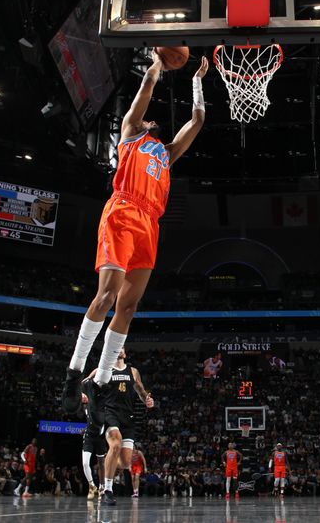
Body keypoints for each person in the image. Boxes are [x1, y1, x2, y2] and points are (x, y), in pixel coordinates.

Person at [61, 54, 210, 413]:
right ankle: (73, 373)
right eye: (148, 118)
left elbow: (198, 119)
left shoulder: (167, 152)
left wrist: (197, 81)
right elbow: (145, 87)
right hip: (124, 211)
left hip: (150, 223)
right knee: (107, 296)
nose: (152, 119)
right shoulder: (130, 133)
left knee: (129, 305)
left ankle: (97, 383)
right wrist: (158, 63)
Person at [100, 348, 154, 506]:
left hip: (128, 418)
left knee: (124, 463)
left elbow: (141, 391)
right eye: (117, 346)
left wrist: (147, 400)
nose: (120, 348)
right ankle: (107, 490)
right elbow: (87, 382)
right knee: (116, 443)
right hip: (110, 414)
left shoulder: (133, 371)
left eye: (123, 346)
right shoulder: (105, 369)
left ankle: (108, 460)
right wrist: (83, 395)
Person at [81, 378, 108, 501]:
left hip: (100, 436)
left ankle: (102, 487)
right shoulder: (85, 404)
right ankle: (92, 485)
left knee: (101, 463)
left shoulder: (100, 402)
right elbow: (81, 383)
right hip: (89, 436)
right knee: (85, 463)